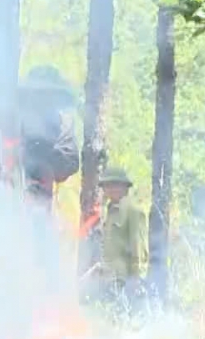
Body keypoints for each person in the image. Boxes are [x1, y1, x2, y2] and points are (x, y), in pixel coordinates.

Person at [13, 66, 81, 208]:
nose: (42, 98)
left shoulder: (64, 122)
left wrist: (47, 155)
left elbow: (70, 163)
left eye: (48, 94)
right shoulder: (15, 120)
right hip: (12, 193)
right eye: (38, 93)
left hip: (43, 198)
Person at [94, 167, 148, 305]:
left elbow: (139, 248)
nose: (110, 189)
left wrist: (136, 280)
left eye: (115, 185)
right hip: (107, 279)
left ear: (124, 187)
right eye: (107, 185)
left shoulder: (133, 211)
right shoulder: (110, 211)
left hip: (123, 280)